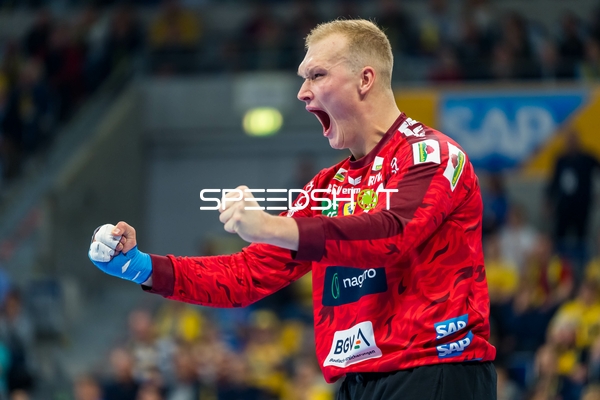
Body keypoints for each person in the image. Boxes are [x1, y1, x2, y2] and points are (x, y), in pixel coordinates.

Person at [88, 19, 497, 399]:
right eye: (303, 78)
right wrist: (141, 267)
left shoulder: (432, 155)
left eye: (316, 75)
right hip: (358, 382)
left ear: (365, 79)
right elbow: (245, 275)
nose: (302, 92)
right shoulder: (327, 187)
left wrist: (271, 226)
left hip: (436, 370)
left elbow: (391, 234)